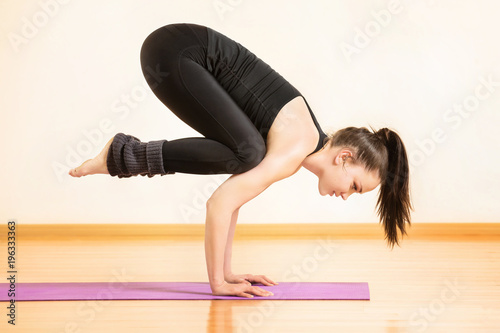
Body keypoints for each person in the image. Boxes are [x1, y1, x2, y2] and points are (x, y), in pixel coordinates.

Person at [68, 23, 412, 298]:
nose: (347, 195)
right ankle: (123, 155)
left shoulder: (301, 139)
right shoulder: (295, 148)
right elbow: (219, 203)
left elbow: (233, 200)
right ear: (345, 157)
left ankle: (122, 155)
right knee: (248, 154)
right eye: (355, 186)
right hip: (175, 52)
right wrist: (217, 282)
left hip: (175, 48)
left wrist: (228, 272)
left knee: (248, 155)